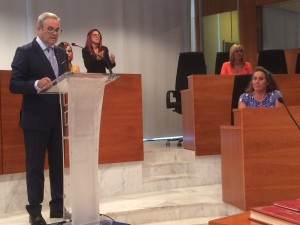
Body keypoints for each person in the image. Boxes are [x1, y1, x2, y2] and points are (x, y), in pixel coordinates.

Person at [10, 12, 71, 225]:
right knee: (35, 167)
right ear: (39, 29)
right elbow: (14, 84)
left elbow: (65, 82)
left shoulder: (62, 53)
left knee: (57, 165)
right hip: (35, 120)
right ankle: (34, 211)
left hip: (57, 119)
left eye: (57, 30)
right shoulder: (25, 52)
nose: (54, 34)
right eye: (50, 29)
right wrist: (35, 84)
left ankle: (57, 207)